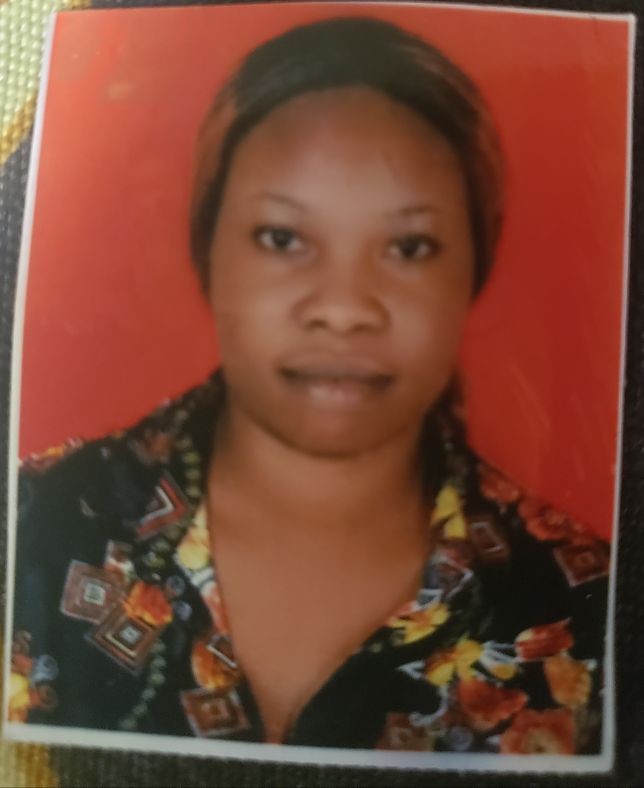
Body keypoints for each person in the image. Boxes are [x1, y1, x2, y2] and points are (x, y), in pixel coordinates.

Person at [9, 17, 609, 754]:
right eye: (283, 238)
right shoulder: (36, 522)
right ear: (208, 251)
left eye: (409, 246)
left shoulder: (583, 606)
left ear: (471, 274)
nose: (345, 308)